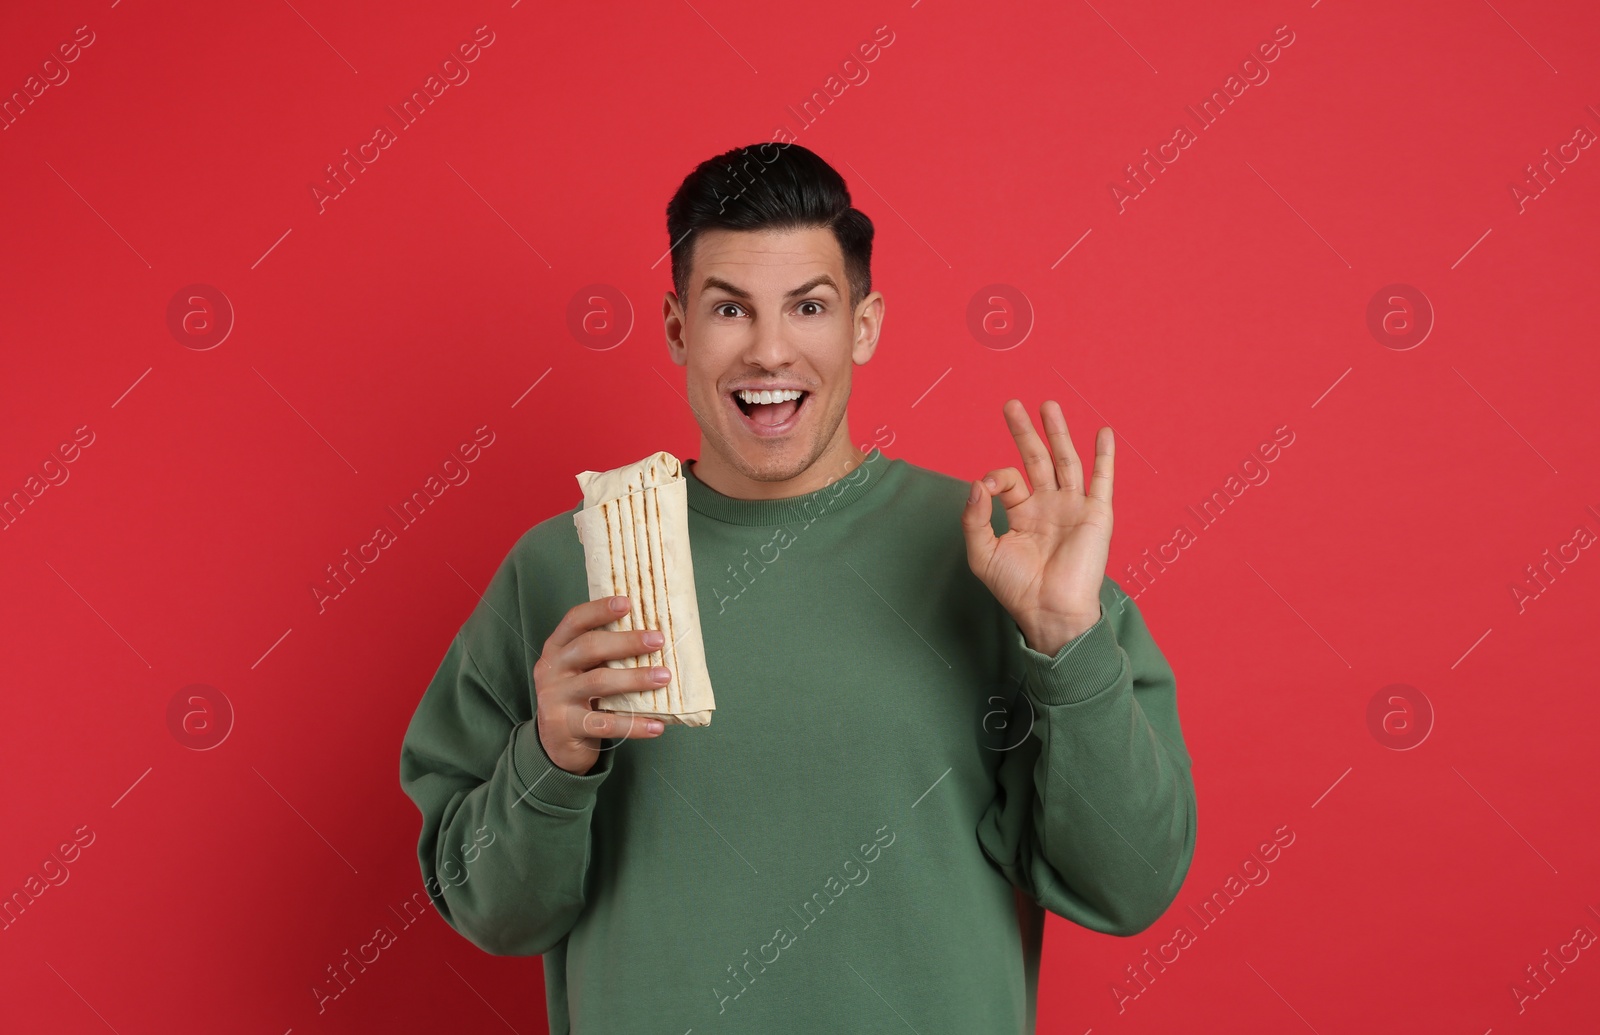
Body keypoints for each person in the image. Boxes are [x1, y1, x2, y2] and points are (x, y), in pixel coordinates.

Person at [398, 141, 1196, 1034]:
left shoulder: (1006, 566)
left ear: (863, 324)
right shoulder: (562, 570)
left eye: (808, 306)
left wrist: (1068, 643)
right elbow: (492, 912)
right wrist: (548, 758)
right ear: (676, 328)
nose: (769, 350)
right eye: (729, 309)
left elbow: (1130, 885)